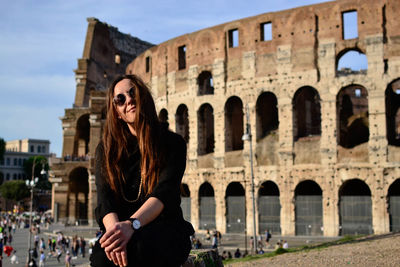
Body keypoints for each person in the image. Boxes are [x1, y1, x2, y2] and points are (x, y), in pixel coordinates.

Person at [90, 74, 194, 267]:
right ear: (117, 112)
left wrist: (132, 225)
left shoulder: (173, 143)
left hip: (164, 227)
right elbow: (105, 200)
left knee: (140, 249)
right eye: (120, 99)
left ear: (143, 96)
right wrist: (116, 235)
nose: (128, 100)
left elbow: (163, 194)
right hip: (123, 229)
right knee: (102, 258)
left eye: (132, 93)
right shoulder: (106, 150)